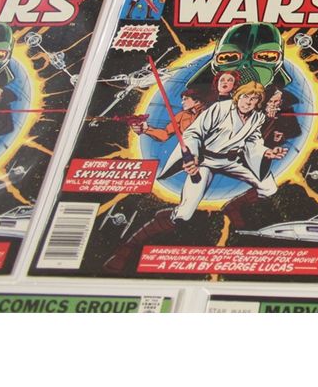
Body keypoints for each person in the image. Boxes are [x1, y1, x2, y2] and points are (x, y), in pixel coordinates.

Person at [103, 81, 288, 273]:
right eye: (245, 97)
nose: (248, 102)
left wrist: (267, 152)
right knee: (184, 214)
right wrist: (192, 157)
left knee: (269, 187)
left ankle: (233, 206)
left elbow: (253, 142)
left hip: (232, 160)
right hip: (204, 160)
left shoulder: (257, 117)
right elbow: (194, 133)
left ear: (258, 102)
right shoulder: (220, 108)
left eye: (254, 99)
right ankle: (127, 249)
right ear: (238, 96)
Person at [131, 84, 207, 142]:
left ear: (196, 101)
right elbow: (165, 134)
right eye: (182, 100)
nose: (182, 102)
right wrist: (146, 129)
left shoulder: (209, 110)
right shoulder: (181, 115)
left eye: (185, 99)